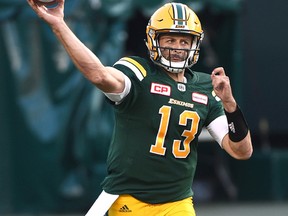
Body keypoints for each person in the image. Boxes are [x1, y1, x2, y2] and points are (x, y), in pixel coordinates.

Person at [27, 1, 253, 215]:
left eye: (184, 41)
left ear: (195, 45)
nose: (177, 48)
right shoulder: (138, 73)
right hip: (130, 200)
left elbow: (241, 151)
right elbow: (99, 74)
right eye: (170, 40)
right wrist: (59, 26)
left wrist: (230, 105)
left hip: (178, 202)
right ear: (153, 41)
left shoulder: (205, 87)